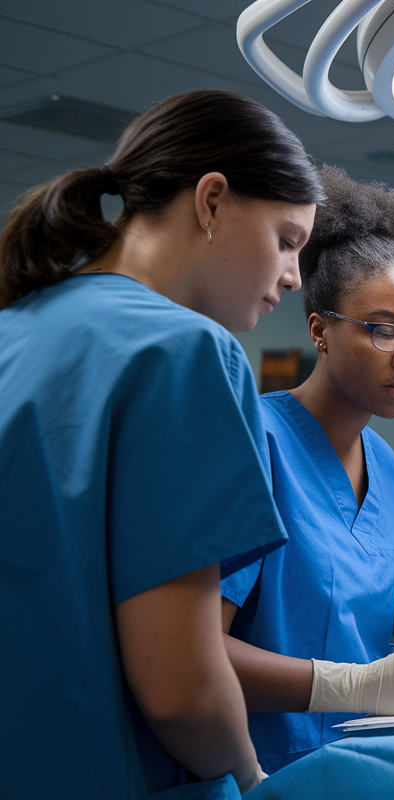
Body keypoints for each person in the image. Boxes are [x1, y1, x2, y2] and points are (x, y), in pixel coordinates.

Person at [0, 89, 323, 797]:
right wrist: (250, 774)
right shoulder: (185, 351)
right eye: (288, 240)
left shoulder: (14, 329)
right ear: (211, 201)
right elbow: (180, 689)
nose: (294, 277)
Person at [220, 167, 394, 772]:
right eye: (385, 331)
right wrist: (354, 686)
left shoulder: (386, 466)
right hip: (255, 766)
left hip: (360, 762)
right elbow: (190, 653)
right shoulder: (253, 441)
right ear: (319, 330)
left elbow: (342, 627)